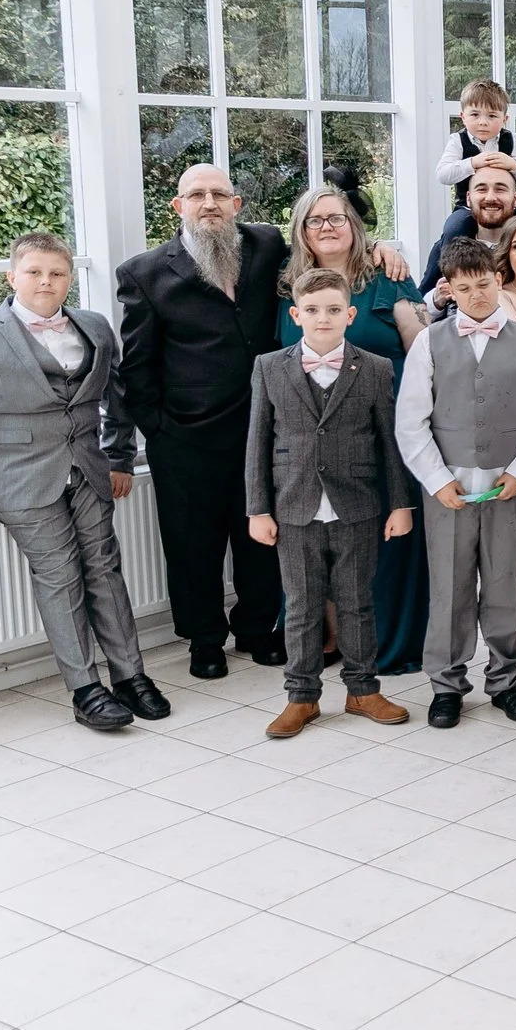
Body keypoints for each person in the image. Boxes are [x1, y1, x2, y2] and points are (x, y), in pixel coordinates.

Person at [0, 232, 168, 731]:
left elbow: (117, 398)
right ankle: (86, 690)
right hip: (20, 478)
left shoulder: (94, 326)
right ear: (12, 276)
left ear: (69, 280)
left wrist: (119, 458)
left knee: (106, 569)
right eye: (35, 272)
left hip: (88, 469)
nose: (46, 281)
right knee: (59, 578)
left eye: (56, 273)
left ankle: (130, 675)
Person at [115, 166, 300, 679]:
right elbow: (136, 365)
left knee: (261, 536)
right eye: (196, 195)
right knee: (193, 545)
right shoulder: (145, 273)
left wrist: (379, 251)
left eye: (219, 194)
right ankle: (204, 639)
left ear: (237, 205)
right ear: (179, 207)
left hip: (263, 428)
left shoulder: (266, 246)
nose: (209, 202)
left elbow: (323, 252)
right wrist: (161, 430)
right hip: (186, 438)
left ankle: (258, 627)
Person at [245, 268, 415, 740]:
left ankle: (363, 690)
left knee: (358, 602)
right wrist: (258, 508)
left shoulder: (376, 367)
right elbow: (257, 442)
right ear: (297, 314)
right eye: (314, 310)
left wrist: (400, 505)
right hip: (293, 507)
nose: (324, 318)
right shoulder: (269, 367)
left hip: (357, 505)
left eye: (334, 310)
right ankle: (301, 697)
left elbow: (389, 443)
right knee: (301, 606)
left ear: (350, 314)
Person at [278, 181, 432, 674]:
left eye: (337, 218)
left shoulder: (386, 279)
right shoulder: (285, 287)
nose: (327, 227)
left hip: (384, 428)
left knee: (383, 539)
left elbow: (421, 349)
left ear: (355, 225)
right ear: (301, 231)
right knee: (319, 538)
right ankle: (327, 642)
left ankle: (381, 643)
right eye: (315, 220)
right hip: (312, 434)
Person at [394, 239, 516, 730]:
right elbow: (410, 421)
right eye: (465, 289)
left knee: (504, 586)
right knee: (450, 589)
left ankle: (507, 681)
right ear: (450, 290)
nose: (477, 296)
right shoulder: (429, 342)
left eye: (484, 284)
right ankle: (446, 685)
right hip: (448, 490)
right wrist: (437, 480)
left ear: (498, 281)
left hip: (509, 485)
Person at [420, 163, 516, 300]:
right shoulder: (445, 246)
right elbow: (420, 302)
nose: (490, 197)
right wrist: (437, 299)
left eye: (500, 189)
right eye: (481, 190)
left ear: (515, 199)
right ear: (468, 198)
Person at [435, 77, 516, 207]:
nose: (483, 122)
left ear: (504, 119)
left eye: (492, 116)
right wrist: (472, 163)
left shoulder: (512, 140)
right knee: (454, 228)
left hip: (507, 207)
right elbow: (442, 175)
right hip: (468, 208)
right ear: (463, 117)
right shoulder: (457, 140)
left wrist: (512, 164)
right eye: (475, 115)